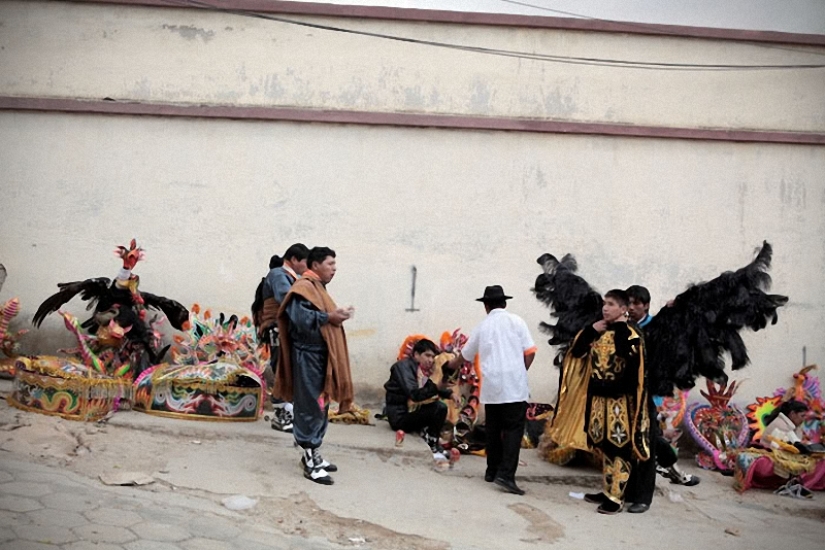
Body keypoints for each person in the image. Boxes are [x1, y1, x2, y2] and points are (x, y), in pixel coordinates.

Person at [564, 289, 649, 514]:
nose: (605, 308)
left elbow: (635, 370)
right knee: (603, 446)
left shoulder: (630, 333)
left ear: (623, 309)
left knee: (618, 447)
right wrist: (591, 330)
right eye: (604, 303)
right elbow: (577, 351)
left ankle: (616, 497)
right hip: (599, 402)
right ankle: (608, 489)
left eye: (611, 304)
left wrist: (615, 389)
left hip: (619, 403)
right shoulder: (599, 330)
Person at [446, 285, 537, 495]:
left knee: (493, 429)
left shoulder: (482, 326)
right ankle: (506, 475)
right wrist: (521, 371)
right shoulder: (517, 321)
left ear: (486, 306)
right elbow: (530, 352)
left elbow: (466, 356)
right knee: (513, 430)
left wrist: (451, 364)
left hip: (493, 385)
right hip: (515, 384)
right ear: (504, 303)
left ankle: (492, 471)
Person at [274, 246, 354, 485]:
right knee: (310, 405)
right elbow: (300, 320)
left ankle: (314, 451)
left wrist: (336, 314)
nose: (334, 270)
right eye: (331, 264)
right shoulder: (303, 288)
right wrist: (329, 317)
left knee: (322, 404)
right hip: (308, 357)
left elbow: (320, 315)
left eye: (335, 265)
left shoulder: (318, 288)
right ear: (315, 264)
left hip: (321, 357)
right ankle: (310, 459)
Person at [623, 285, 699, 514]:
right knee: (632, 445)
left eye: (637, 303)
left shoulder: (658, 327)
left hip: (650, 397)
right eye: (629, 303)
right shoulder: (624, 328)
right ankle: (624, 490)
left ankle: (643, 498)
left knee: (645, 449)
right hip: (626, 398)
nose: (632, 307)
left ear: (646, 305)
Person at [257, 244, 309, 433]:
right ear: (294, 260)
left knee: (288, 369)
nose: (307, 267)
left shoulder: (290, 277)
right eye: (306, 262)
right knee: (281, 369)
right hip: (277, 330)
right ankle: (281, 415)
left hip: (285, 330)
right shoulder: (279, 275)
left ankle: (287, 412)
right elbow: (287, 299)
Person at [384, 338, 453, 458]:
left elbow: (427, 387)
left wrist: (449, 394)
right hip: (400, 417)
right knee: (439, 408)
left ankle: (432, 439)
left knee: (440, 406)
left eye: (433, 357)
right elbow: (415, 394)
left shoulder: (420, 370)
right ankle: (432, 443)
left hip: (410, 411)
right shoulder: (403, 367)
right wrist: (438, 387)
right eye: (427, 355)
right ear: (416, 354)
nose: (431, 360)